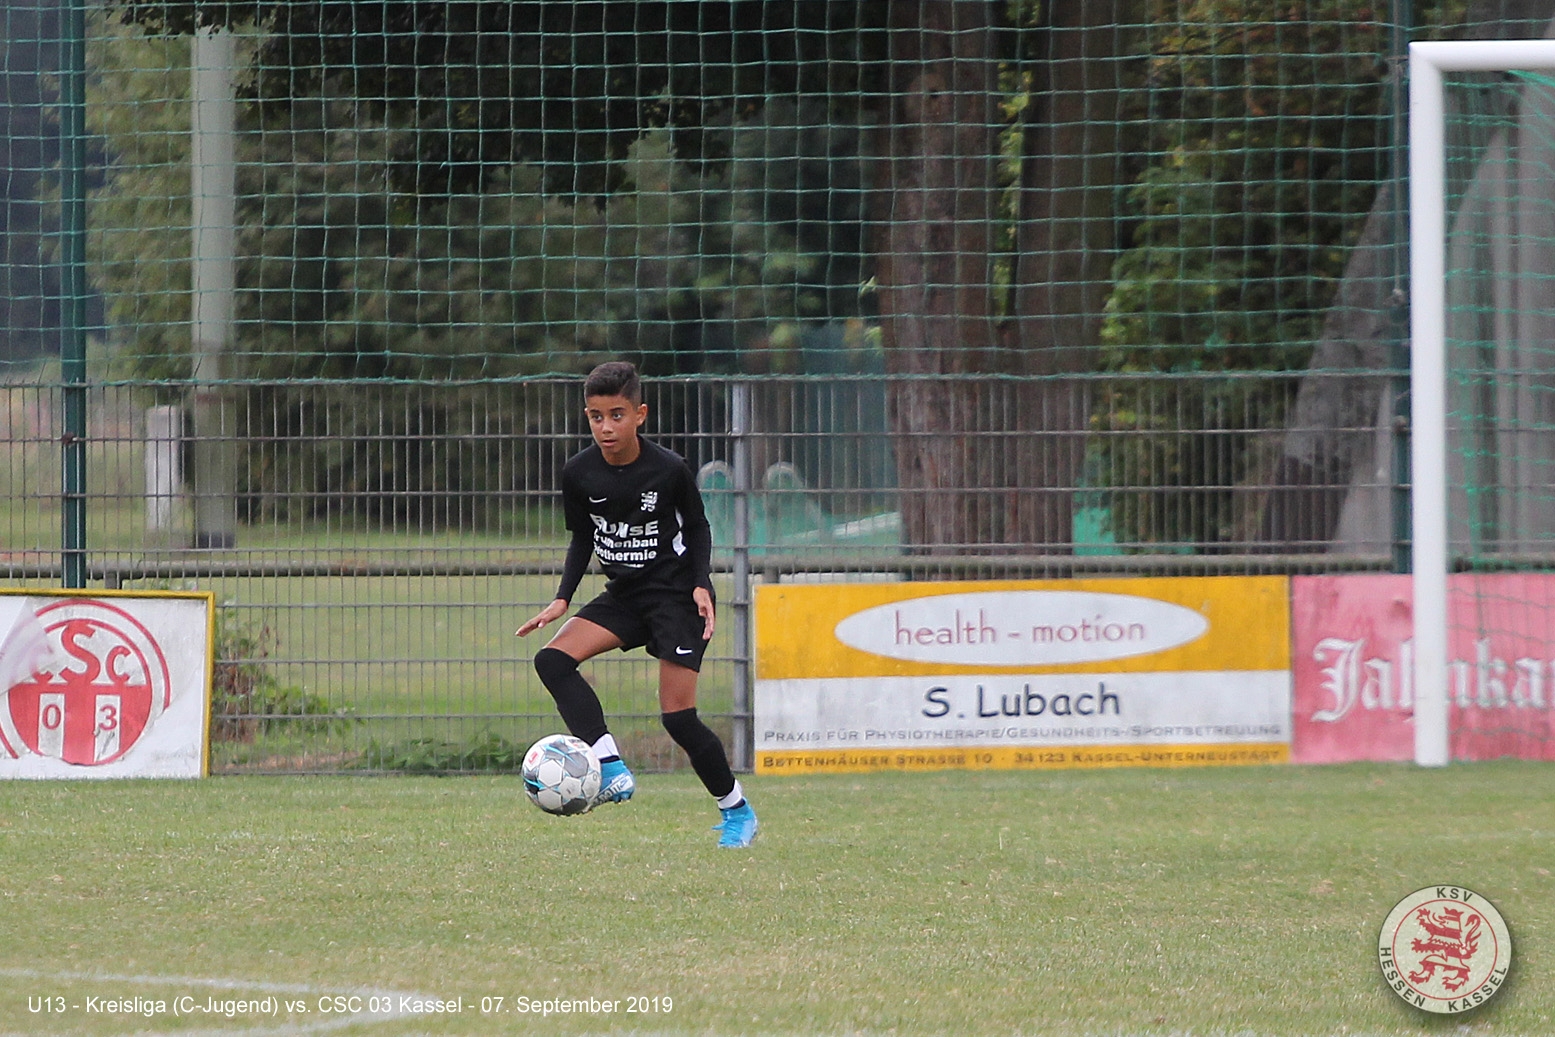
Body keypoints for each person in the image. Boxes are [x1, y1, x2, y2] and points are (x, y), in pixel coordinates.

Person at [516, 360, 758, 848]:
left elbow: (698, 526)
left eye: (617, 415)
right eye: (596, 416)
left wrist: (701, 584)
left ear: (640, 414)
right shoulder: (579, 472)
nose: (606, 427)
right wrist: (562, 598)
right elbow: (583, 537)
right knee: (552, 661)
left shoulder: (668, 469)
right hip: (625, 596)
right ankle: (609, 764)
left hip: (676, 599)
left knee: (678, 718)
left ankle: (737, 811)